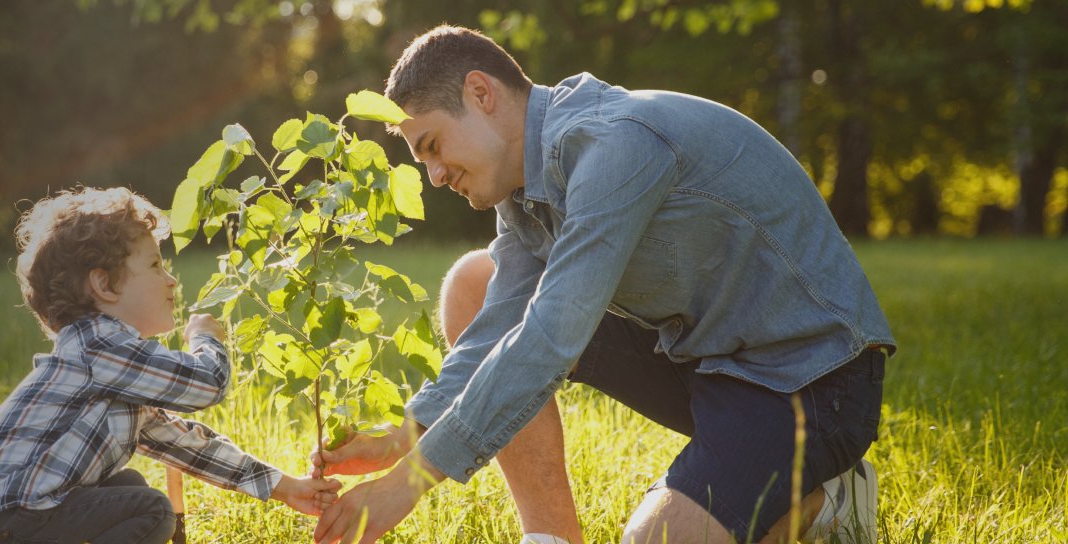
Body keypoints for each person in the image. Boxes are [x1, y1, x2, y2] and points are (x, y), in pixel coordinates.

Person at [311, 26, 894, 544]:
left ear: (480, 94)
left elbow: (550, 335)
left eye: (432, 147)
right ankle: (551, 537)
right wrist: (404, 435)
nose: (434, 176)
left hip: (809, 381)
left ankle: (824, 501)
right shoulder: (524, 191)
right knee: (474, 283)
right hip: (706, 361)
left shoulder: (613, 143)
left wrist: (409, 483)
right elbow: (498, 325)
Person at [0, 187, 342, 543]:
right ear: (104, 286)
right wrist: (204, 339)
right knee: (150, 510)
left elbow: (187, 444)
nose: (171, 281)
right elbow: (209, 383)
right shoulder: (98, 345)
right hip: (7, 527)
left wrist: (286, 487)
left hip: (11, 525)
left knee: (130, 488)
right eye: (155, 265)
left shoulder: (112, 371)